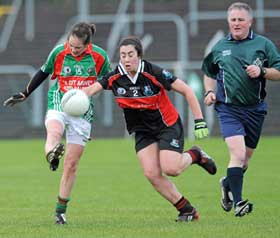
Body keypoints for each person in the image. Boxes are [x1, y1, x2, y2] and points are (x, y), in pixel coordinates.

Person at [83, 35, 217, 222]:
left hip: (167, 125)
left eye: (130, 54)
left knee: (172, 169)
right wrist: (73, 102)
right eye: (123, 55)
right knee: (152, 174)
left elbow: (187, 90)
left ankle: (196, 155)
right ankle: (186, 210)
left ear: (139, 55)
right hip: (143, 131)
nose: (126, 59)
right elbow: (88, 92)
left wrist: (199, 120)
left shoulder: (153, 73)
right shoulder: (114, 77)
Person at [3, 22, 111, 224]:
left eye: (77, 47)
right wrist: (25, 93)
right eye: (71, 45)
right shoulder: (59, 52)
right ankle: (52, 154)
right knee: (53, 132)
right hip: (59, 100)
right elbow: (43, 72)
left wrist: (93, 91)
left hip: (83, 110)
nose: (73, 49)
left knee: (71, 164)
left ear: (87, 45)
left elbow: (109, 80)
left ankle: (60, 211)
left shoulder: (99, 56)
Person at [202, 2, 280, 217]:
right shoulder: (219, 47)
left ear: (249, 22)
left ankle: (227, 184)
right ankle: (239, 203)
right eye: (233, 20)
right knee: (237, 153)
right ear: (229, 22)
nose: (236, 23)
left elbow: (278, 71)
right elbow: (209, 72)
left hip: (255, 110)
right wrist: (209, 93)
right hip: (228, 109)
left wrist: (262, 70)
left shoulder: (263, 44)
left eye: (240, 20)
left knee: (244, 161)